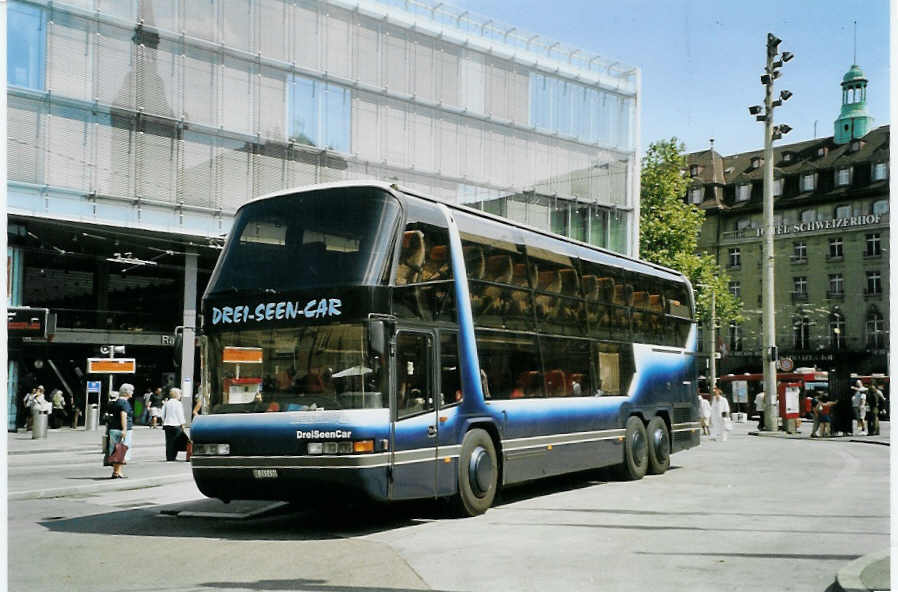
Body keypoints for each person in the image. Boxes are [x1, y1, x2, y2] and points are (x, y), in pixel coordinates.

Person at [107, 383, 134, 479]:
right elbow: (123, 415)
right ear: (127, 392)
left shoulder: (117, 401)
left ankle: (116, 472)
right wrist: (124, 429)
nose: (132, 393)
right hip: (121, 429)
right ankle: (117, 472)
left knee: (116, 450)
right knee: (121, 450)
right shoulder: (124, 403)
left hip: (114, 428)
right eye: (131, 391)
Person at [162, 387, 188, 461]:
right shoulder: (178, 403)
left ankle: (169, 457)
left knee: (169, 442)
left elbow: (163, 414)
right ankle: (174, 456)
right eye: (180, 394)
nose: (181, 396)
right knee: (176, 441)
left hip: (167, 425)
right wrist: (183, 424)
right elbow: (180, 414)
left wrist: (164, 421)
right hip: (176, 425)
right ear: (177, 395)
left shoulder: (167, 403)